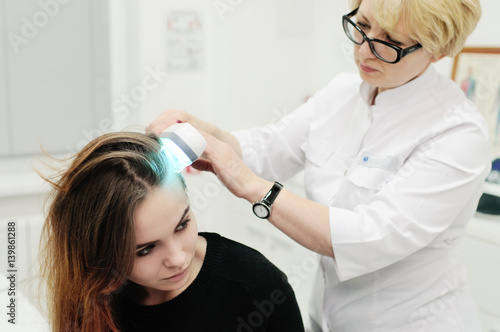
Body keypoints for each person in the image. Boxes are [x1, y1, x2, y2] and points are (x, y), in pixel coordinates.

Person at [148, 0, 488, 330]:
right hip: (326, 316)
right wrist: (204, 132)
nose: (366, 50)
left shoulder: (457, 132)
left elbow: (370, 237)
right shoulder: (341, 93)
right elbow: (268, 147)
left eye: (391, 43)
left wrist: (251, 186)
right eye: (363, 26)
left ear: (438, 50)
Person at [38, 131, 304, 331]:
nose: (177, 259)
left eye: (183, 225)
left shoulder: (257, 287)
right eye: (145, 249)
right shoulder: (97, 302)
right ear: (100, 257)